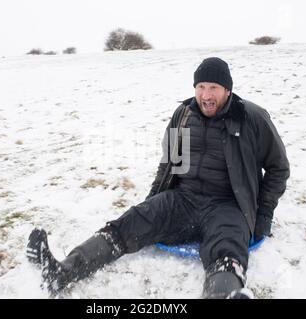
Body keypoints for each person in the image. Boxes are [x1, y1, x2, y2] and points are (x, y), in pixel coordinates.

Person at [26, 57, 290, 299]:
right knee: (127, 224)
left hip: (227, 204)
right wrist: (153, 202)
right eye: (200, 87)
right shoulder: (184, 115)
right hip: (183, 199)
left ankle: (222, 295)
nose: (206, 95)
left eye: (213, 88)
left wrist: (263, 214)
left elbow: (278, 168)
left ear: (227, 90)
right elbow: (169, 162)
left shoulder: (251, 118)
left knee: (227, 249)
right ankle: (62, 273)